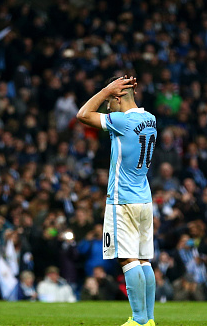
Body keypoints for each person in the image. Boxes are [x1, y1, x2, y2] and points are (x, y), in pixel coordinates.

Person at [77, 76, 157, 326]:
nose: (107, 106)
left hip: (123, 200)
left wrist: (105, 90)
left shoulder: (122, 121)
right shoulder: (150, 119)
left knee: (127, 259)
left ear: (118, 98)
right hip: (144, 198)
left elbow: (83, 114)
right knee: (143, 259)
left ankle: (138, 320)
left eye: (110, 100)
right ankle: (150, 319)